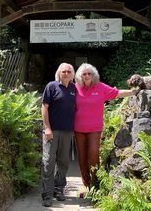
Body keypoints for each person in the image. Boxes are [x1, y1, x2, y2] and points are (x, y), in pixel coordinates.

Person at [74, 63, 136, 193]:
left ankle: (95, 183)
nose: (86, 76)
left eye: (89, 73)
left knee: (93, 154)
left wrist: (133, 92)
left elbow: (117, 93)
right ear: (80, 76)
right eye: (84, 74)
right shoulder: (75, 89)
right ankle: (86, 186)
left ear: (93, 75)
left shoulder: (100, 87)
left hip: (95, 129)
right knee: (81, 157)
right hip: (78, 128)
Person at [41, 62, 76, 207]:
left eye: (69, 71)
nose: (66, 73)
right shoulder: (51, 86)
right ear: (59, 73)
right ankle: (47, 195)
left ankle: (58, 189)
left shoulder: (75, 88)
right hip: (52, 131)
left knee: (64, 162)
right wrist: (47, 128)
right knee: (49, 162)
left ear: (72, 74)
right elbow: (44, 107)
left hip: (67, 132)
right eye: (64, 72)